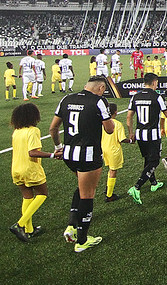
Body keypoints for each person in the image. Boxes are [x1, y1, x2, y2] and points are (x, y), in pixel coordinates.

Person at [49, 75, 115, 252]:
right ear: (101, 88)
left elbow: (53, 128)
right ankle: (82, 240)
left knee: (81, 187)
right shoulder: (99, 101)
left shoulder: (66, 99)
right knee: (88, 194)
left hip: (69, 155)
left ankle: (71, 226)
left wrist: (58, 146)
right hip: (88, 155)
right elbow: (109, 129)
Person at [125, 73, 167, 205]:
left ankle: (153, 183)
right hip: (152, 135)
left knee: (147, 159)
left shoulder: (135, 96)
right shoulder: (157, 97)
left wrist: (130, 133)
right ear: (154, 82)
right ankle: (137, 187)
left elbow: (129, 117)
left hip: (140, 134)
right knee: (155, 161)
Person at [9, 102, 61, 242]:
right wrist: (52, 155)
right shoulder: (33, 131)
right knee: (42, 194)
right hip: (30, 169)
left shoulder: (16, 132)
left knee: (27, 197)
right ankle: (19, 224)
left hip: (16, 169)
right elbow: (33, 152)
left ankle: (29, 230)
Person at [101, 103, 130, 203]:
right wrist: (130, 141)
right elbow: (122, 139)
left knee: (110, 170)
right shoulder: (117, 124)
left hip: (104, 149)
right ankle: (109, 195)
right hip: (114, 150)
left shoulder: (102, 122)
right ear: (116, 112)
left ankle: (107, 188)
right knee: (113, 171)